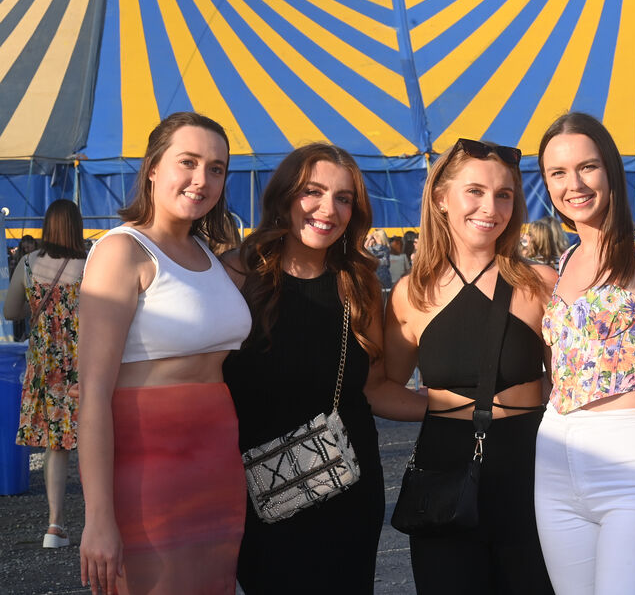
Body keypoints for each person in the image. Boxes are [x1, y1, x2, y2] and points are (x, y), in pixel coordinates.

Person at [221, 143, 425, 595]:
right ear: (284, 196)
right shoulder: (234, 276)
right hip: (260, 492)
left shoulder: (358, 283)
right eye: (312, 192)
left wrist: (453, 406)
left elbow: (373, 387)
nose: (328, 209)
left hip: (347, 486)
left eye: (343, 198)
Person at [78, 112, 252, 595]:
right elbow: (92, 393)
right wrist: (98, 518)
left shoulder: (210, 255)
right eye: (188, 162)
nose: (202, 180)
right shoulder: (122, 251)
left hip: (217, 466)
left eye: (216, 169)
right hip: (148, 472)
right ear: (153, 167)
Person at [383, 137, 557, 594]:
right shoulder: (411, 294)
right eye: (475, 191)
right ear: (441, 198)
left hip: (531, 472)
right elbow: (381, 387)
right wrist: (442, 406)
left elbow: (572, 383)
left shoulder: (541, 284)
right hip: (444, 472)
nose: (490, 208)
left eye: (504, 194)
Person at [534, 112, 635, 595]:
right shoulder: (565, 260)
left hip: (629, 461)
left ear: (610, 170)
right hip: (554, 458)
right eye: (558, 172)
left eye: (587, 167)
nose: (574, 184)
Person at [3, 199, 86, 549]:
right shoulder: (91, 264)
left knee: (57, 445)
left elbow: (11, 312)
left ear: (48, 226)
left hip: (45, 366)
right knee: (96, 440)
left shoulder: (28, 262)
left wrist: (39, 305)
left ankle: (55, 526)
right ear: (77, 227)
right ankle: (102, 519)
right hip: (85, 362)